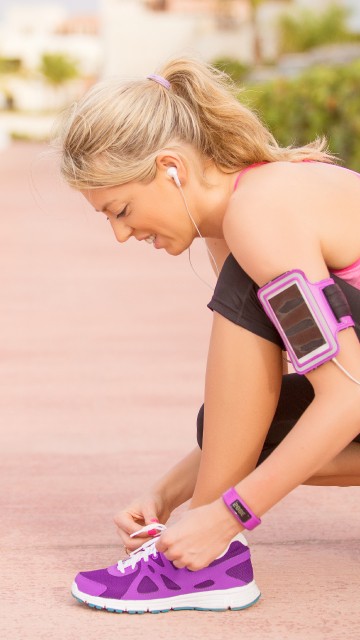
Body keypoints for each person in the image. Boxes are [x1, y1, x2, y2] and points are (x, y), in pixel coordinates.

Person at [57, 57, 360, 614]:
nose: (122, 235)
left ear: (171, 167)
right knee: (230, 430)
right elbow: (244, 422)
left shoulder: (260, 212)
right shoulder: (247, 213)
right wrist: (170, 496)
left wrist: (225, 517)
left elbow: (349, 396)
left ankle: (212, 565)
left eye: (120, 210)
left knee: (245, 296)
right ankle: (209, 555)